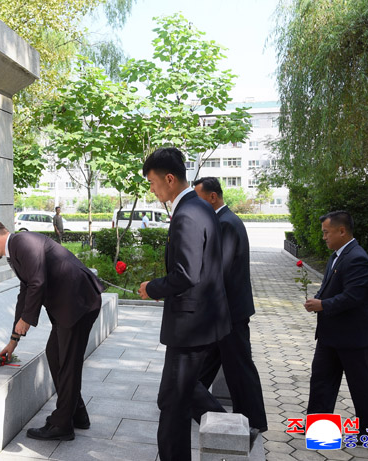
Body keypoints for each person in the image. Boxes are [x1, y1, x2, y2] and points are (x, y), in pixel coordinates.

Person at [137, 147, 231, 461]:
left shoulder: (188, 213)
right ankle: (233, 430)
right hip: (202, 319)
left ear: (169, 179)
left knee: (172, 402)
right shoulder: (200, 207)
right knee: (183, 393)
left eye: (152, 183)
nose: (152, 190)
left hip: (191, 325)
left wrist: (152, 287)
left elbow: (186, 274)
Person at [0, 218, 104, 441]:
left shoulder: (23, 243)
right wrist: (13, 340)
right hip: (70, 306)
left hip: (79, 302)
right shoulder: (16, 250)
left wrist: (27, 319)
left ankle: (62, 425)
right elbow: (25, 292)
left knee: (68, 363)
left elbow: (37, 282)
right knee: (55, 356)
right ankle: (77, 415)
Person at [192, 177, 267, 435]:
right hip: (223, 311)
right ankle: (182, 400)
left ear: (213, 197)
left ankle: (253, 421)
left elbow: (219, 271)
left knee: (239, 367)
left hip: (229, 312)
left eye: (199, 199)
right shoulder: (224, 220)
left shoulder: (225, 223)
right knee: (204, 365)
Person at [304, 210, 368, 436]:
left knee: (361, 387)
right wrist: (318, 299)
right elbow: (330, 286)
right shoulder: (337, 255)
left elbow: (353, 297)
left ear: (342, 231)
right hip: (330, 335)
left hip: (353, 337)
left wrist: (323, 305)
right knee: (321, 382)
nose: (324, 237)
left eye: (327, 232)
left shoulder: (357, 258)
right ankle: (318, 428)